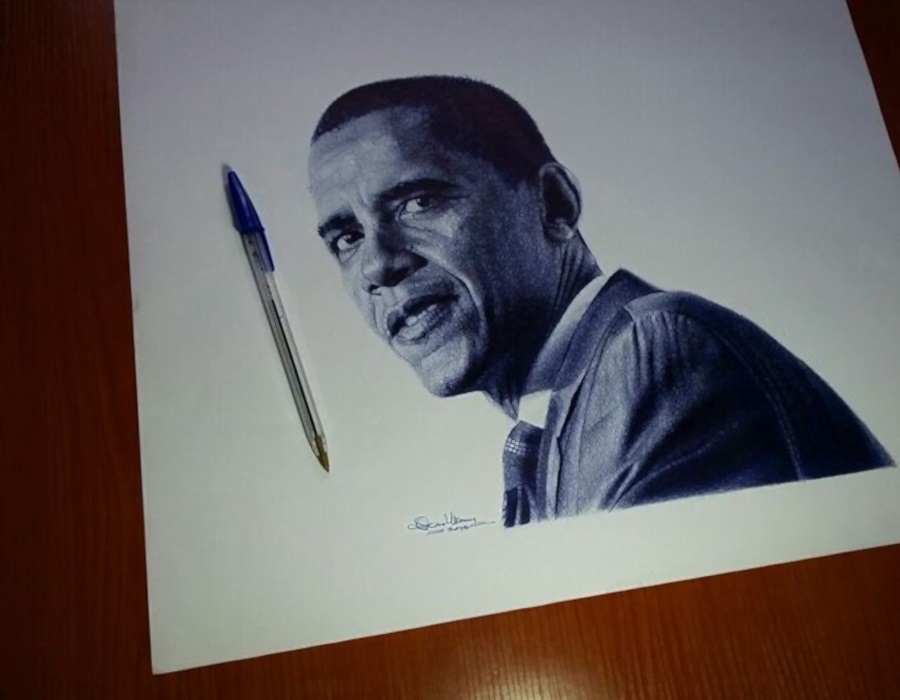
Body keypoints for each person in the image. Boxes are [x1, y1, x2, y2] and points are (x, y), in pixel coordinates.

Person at [307, 75, 892, 527]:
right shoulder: (566, 408)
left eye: (417, 203)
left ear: (554, 204)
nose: (378, 266)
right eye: (347, 238)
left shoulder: (652, 351)